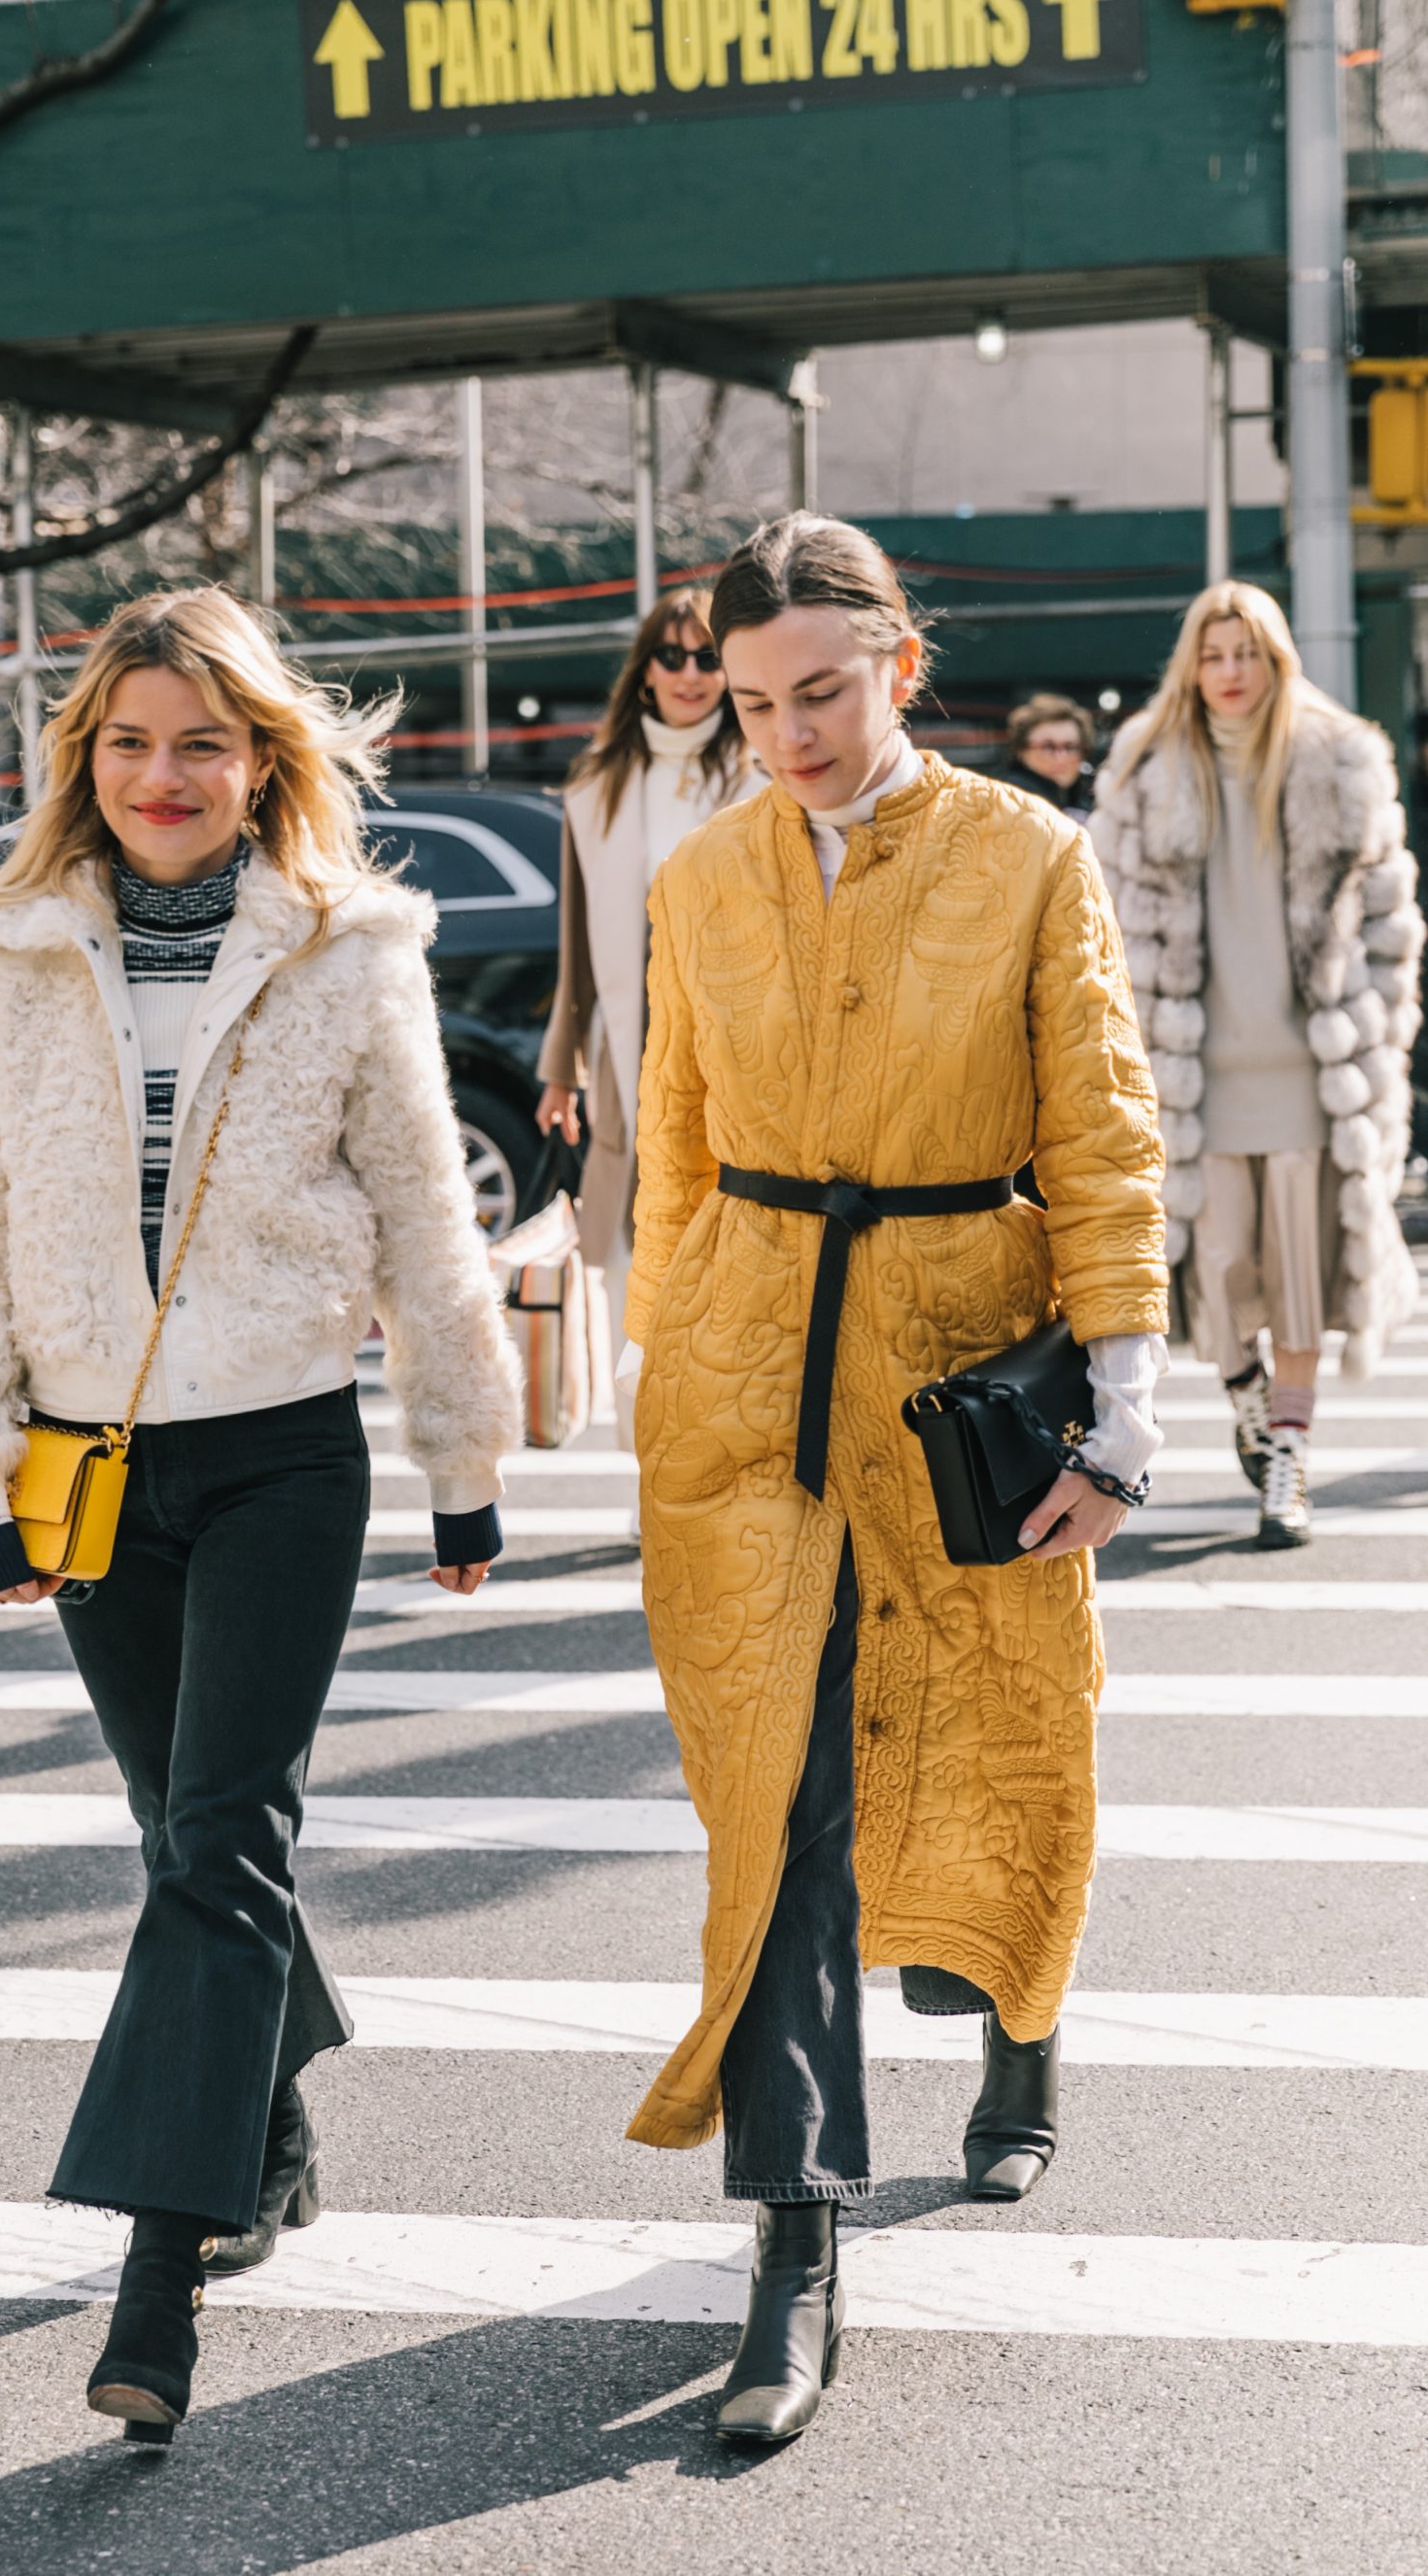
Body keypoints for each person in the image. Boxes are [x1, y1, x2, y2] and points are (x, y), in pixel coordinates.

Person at [0, 587, 522, 2441]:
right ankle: (274, 2120)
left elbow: (427, 1216)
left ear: (266, 763)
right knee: (191, 1836)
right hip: (86, 1467)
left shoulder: (350, 949)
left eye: (205, 743)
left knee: (221, 1837)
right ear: (86, 757)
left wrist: (458, 1457)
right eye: (132, 740)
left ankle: (162, 2267)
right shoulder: (1, 952)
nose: (166, 776)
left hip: (278, 1460)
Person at [619, 513, 1170, 2445]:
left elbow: (1100, 1132)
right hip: (754, 1375)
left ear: (899, 668)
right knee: (783, 1805)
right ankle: (794, 2240)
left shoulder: (1032, 857)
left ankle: (1021, 2039)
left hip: (963, 1366)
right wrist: (663, 1376)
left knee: (1010, 1729)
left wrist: (1122, 1406)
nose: (791, 736)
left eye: (824, 695)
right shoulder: (694, 881)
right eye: (758, 703)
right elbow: (672, 1158)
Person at [1092, 581, 1423, 1548]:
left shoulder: (1342, 762)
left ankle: (1287, 1458)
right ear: (1191, 666)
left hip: (1315, 1081)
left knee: (1301, 1280)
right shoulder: (1147, 770)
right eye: (1214, 654)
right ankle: (1248, 1404)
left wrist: (1379, 1037)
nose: (1230, 673)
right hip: (1194, 1080)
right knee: (1220, 1273)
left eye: (1248, 653)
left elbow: (1391, 929)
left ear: (1277, 660)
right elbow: (1101, 930)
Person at [535, 587, 751, 1348]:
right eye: (672, 656)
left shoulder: (765, 773)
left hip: (746, 1033)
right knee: (636, 1231)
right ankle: (652, 1402)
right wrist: (562, 1068)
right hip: (631, 1040)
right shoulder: (596, 786)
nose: (690, 674)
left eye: (707, 658)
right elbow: (579, 943)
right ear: (646, 671)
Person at [995, 692, 1098, 821]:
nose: (1061, 757)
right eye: (1048, 747)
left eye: (1070, 747)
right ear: (1021, 750)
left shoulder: (1087, 801)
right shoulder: (1011, 803)